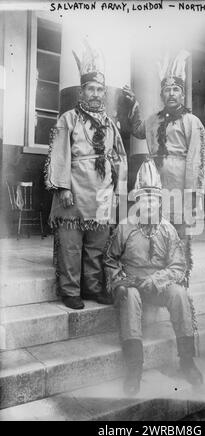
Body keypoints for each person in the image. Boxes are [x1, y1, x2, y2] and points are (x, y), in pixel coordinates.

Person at [103, 159, 203, 396]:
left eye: (153, 200)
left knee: (179, 294)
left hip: (159, 285)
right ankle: (134, 369)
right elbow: (110, 259)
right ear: (137, 202)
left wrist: (158, 280)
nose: (149, 205)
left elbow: (178, 265)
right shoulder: (125, 228)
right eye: (144, 200)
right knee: (129, 295)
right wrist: (121, 280)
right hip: (133, 285)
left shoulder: (167, 229)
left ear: (159, 202)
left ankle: (187, 361)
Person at [45, 42, 127, 310]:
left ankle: (92, 287)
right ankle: (70, 290)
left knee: (97, 246)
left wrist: (117, 191)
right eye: (90, 89)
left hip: (102, 192)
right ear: (81, 92)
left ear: (104, 94)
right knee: (71, 245)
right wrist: (63, 187)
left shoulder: (110, 123)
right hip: (74, 190)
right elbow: (59, 154)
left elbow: (119, 157)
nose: (95, 94)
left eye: (99, 90)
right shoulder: (67, 119)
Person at [123, 50, 205, 258]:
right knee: (155, 228)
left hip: (179, 183)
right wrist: (132, 104)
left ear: (182, 94)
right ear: (162, 94)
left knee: (179, 231)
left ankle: (179, 276)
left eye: (176, 89)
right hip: (155, 183)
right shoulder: (153, 120)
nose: (171, 93)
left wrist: (193, 194)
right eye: (167, 90)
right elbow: (137, 130)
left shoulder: (192, 122)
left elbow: (197, 160)